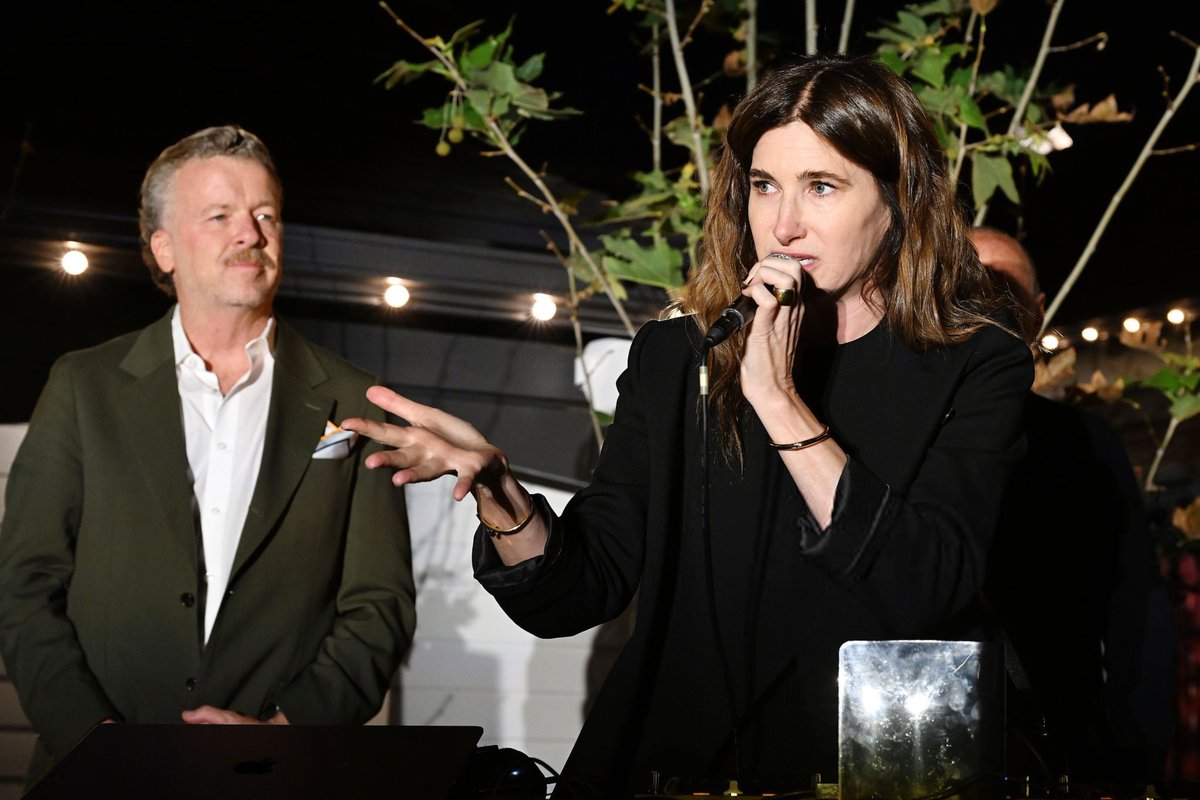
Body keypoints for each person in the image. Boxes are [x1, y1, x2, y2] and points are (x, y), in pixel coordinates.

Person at [342, 54, 1033, 798]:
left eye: (822, 187)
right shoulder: (680, 354)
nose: (783, 223)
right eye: (764, 186)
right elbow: (583, 591)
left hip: (871, 762)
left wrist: (778, 400)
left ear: (897, 200)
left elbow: (925, 585)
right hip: (679, 762)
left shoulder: (974, 364)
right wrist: (500, 493)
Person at [0, 125, 416, 787]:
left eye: (265, 215)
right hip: (95, 776)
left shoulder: (355, 399)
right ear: (162, 248)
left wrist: (287, 733)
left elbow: (379, 606)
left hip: (277, 778)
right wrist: (96, 740)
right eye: (219, 215)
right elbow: (23, 588)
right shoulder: (84, 386)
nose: (249, 233)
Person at [970, 226, 1176, 786]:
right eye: (968, 281)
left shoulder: (1085, 441)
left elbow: (1135, 601)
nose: (987, 300)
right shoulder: (896, 430)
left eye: (1006, 287)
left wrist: (1137, 741)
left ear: (1038, 313)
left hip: (1065, 745)